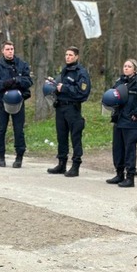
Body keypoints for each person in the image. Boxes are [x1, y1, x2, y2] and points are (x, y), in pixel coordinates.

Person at [46, 47, 92, 177]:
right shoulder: (64, 71)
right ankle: (61, 164)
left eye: (70, 55)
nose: (67, 57)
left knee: (75, 137)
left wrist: (64, 88)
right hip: (60, 107)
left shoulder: (81, 73)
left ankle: (75, 165)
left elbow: (83, 93)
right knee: (61, 137)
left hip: (73, 108)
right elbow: (59, 87)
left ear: (76, 57)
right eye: (66, 54)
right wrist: (52, 84)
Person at [0, 41, 33, 168]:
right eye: (7, 49)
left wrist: (16, 80)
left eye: (12, 49)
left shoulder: (22, 64)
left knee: (19, 130)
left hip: (18, 101)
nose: (10, 51)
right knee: (0, 130)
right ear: (2, 51)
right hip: (1, 101)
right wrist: (5, 84)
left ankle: (19, 156)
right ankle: (0, 156)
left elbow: (28, 81)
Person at [105, 59, 137, 188]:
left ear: (135, 69)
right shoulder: (119, 82)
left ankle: (130, 177)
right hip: (119, 120)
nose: (126, 68)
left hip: (132, 123)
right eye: (124, 66)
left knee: (129, 150)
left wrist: (136, 114)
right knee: (118, 149)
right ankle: (119, 174)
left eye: (129, 66)